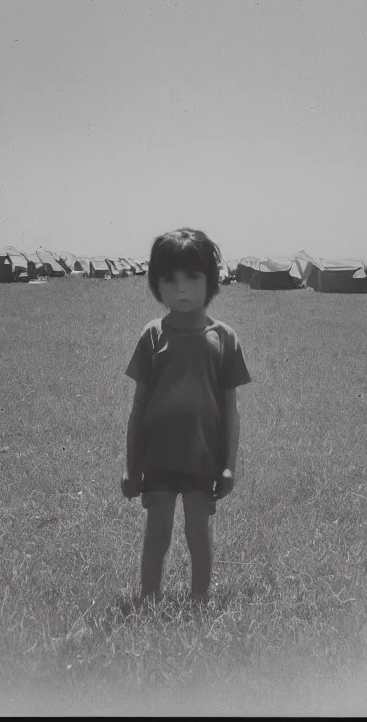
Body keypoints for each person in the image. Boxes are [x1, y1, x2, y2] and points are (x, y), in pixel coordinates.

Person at [122, 228, 252, 604]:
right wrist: (131, 466)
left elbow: (231, 410)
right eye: (169, 279)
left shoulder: (224, 339)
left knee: (198, 534)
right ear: (156, 284)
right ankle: (148, 601)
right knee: (156, 533)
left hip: (203, 458)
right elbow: (137, 409)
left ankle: (199, 603)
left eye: (192, 277)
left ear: (210, 281)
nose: (181, 288)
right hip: (158, 457)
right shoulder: (151, 337)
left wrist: (228, 465)